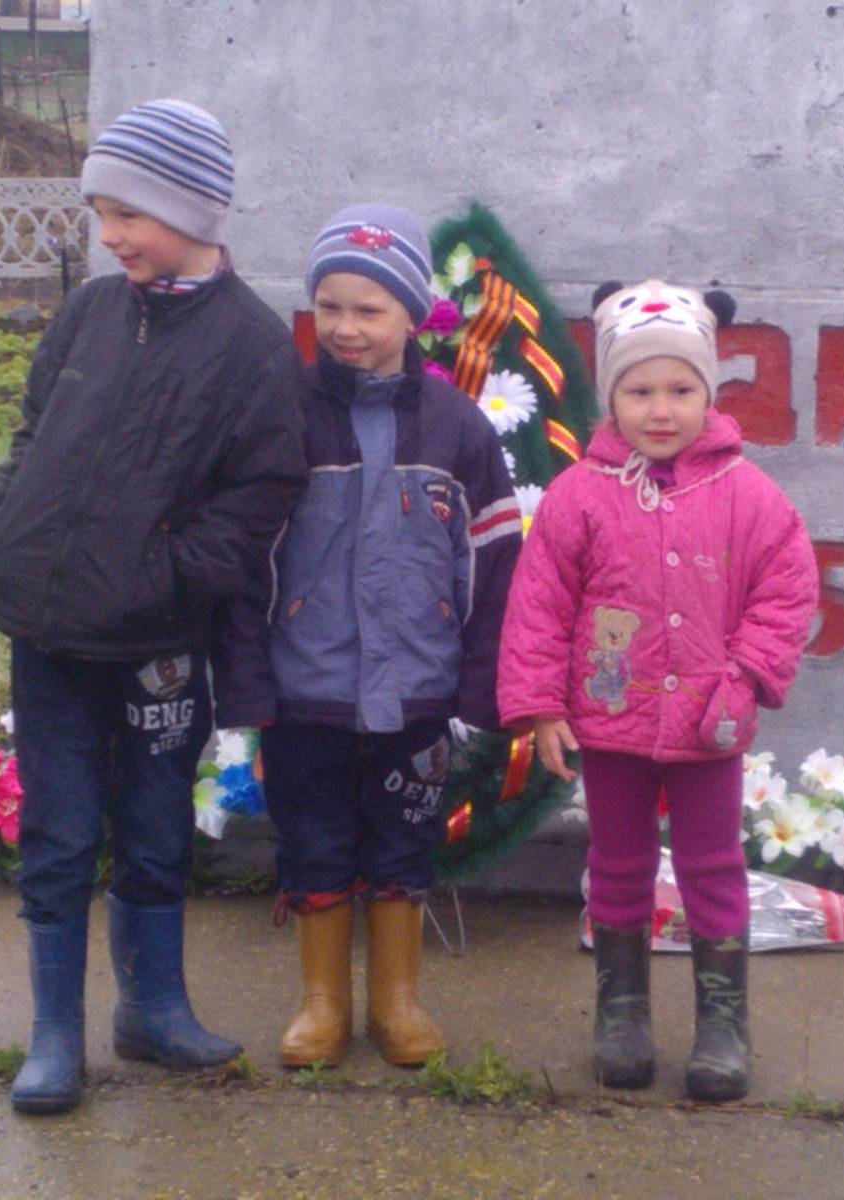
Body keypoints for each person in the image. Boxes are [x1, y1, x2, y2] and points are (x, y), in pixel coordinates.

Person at [0, 98, 309, 1114]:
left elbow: (260, 494)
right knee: (61, 832)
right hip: (50, 634)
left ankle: (153, 1009)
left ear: (192, 211)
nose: (109, 235)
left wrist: (164, 577)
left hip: (158, 644)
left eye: (127, 214)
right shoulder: (89, 311)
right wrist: (6, 519)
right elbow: (35, 423)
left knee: (156, 828)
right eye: (100, 215)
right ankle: (55, 1035)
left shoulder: (252, 345)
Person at [497, 279, 818, 1101]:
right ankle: (622, 1014)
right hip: (611, 718)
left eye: (681, 389)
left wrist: (746, 674)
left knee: (713, 865)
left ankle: (723, 1025)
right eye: (639, 391)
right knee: (618, 863)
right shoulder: (580, 495)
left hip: (712, 720)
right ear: (612, 397)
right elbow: (540, 604)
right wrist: (541, 706)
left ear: (710, 393)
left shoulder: (747, 494)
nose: (661, 409)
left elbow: (786, 590)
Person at [218, 202, 519, 1070]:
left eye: (370, 309)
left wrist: (482, 683)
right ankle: (322, 1003)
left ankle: (397, 1001)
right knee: (312, 842)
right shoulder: (285, 416)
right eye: (330, 307)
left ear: (414, 313)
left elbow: (495, 559)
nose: (347, 328)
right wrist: (246, 681)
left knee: (402, 843)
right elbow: (244, 561)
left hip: (416, 693)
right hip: (305, 690)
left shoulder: (457, 427)